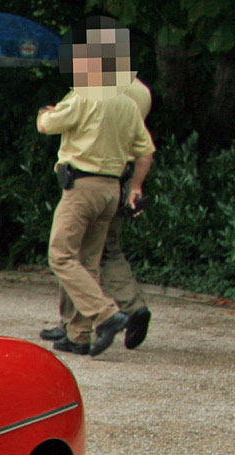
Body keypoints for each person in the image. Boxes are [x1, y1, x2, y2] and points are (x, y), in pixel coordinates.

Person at [36, 26, 154, 355]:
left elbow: (48, 126)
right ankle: (78, 334)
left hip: (82, 185)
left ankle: (106, 314)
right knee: (89, 260)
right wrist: (135, 187)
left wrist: (45, 113)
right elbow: (146, 150)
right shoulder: (133, 99)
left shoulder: (85, 94)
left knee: (61, 255)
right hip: (113, 186)